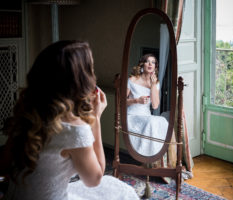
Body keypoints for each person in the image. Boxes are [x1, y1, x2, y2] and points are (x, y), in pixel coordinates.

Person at [1, 40, 139, 200]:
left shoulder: (28, 113)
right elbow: (95, 180)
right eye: (90, 69)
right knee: (122, 192)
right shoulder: (74, 130)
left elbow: (3, 166)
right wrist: (95, 119)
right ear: (81, 80)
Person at [127, 54, 169, 156]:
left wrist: (153, 85)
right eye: (147, 61)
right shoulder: (132, 80)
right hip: (132, 116)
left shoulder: (156, 83)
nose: (150, 64)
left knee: (163, 121)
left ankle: (156, 157)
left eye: (153, 62)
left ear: (155, 67)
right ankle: (149, 157)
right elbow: (121, 101)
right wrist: (137, 100)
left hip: (146, 116)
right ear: (142, 65)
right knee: (151, 122)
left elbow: (155, 106)